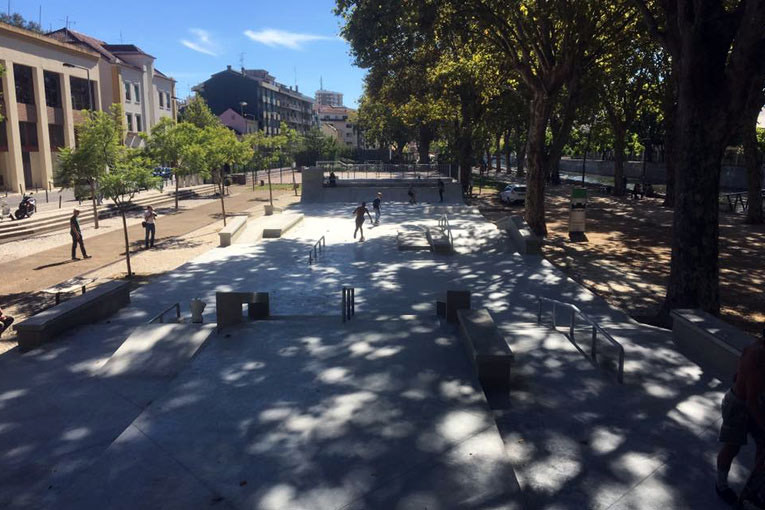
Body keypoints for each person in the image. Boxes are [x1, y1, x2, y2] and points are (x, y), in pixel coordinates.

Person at [715, 328, 765, 505]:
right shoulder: (759, 357)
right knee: (732, 447)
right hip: (738, 406)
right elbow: (751, 400)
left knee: (762, 446)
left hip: (750, 403)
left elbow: (737, 375)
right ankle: (721, 485)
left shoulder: (753, 346)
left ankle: (755, 489)